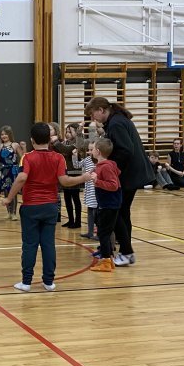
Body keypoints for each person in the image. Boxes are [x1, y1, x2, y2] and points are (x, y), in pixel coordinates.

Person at [1, 122, 91, 292]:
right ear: (50, 139)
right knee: (48, 244)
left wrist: (8, 198)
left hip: (31, 207)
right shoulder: (58, 158)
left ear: (32, 140)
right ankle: (49, 282)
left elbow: (21, 178)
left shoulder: (27, 157)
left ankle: (26, 282)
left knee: (30, 245)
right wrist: (83, 178)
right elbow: (64, 181)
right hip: (50, 206)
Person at [85, 97, 154, 267]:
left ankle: (127, 252)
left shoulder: (116, 123)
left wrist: (111, 171)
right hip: (129, 174)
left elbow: (126, 150)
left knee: (117, 213)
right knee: (121, 213)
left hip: (128, 175)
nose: (93, 118)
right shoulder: (116, 121)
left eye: (93, 114)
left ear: (101, 110)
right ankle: (123, 251)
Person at [89, 138, 122, 273]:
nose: (91, 151)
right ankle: (109, 259)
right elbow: (118, 172)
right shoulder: (107, 165)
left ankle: (106, 262)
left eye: (92, 149)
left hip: (109, 204)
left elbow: (113, 185)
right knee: (104, 232)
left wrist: (97, 181)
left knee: (103, 233)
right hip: (106, 203)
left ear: (98, 151)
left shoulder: (106, 166)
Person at [0, 126, 22, 219]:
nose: (4, 136)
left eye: (5, 134)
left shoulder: (15, 145)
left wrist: (24, 148)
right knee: (5, 191)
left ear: (10, 134)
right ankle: (9, 212)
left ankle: (14, 213)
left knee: (13, 191)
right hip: (4, 170)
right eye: (2, 134)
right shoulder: (0, 146)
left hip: (13, 170)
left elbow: (22, 156)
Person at [74, 139, 98, 239]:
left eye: (91, 149)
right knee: (90, 211)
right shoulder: (87, 159)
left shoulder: (100, 161)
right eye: (89, 149)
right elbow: (77, 165)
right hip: (89, 190)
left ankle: (99, 233)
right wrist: (75, 156)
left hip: (96, 190)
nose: (89, 152)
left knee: (96, 213)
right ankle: (90, 232)